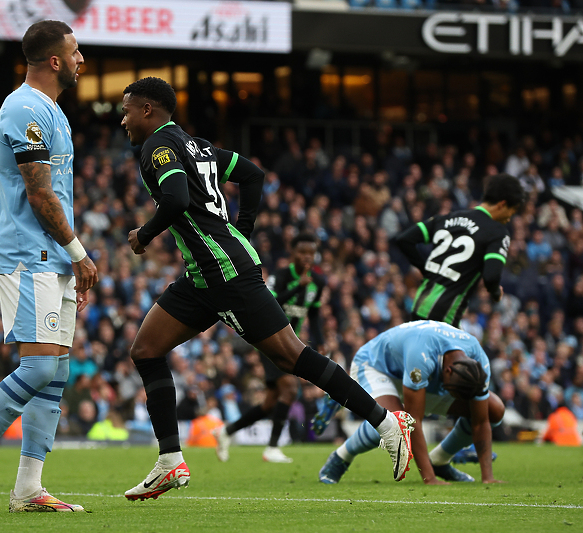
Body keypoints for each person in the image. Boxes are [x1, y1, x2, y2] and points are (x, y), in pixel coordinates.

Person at [119, 77, 415, 502]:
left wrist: (144, 235)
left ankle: (387, 422)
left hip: (223, 272)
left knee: (290, 355)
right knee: (145, 350)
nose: (123, 119)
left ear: (148, 109)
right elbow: (253, 174)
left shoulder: (157, 147)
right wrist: (243, 232)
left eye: (127, 110)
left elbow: (178, 198)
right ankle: (169, 461)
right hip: (204, 274)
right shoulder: (199, 146)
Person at [0, 20, 97, 516]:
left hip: (53, 256)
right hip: (29, 255)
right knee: (39, 366)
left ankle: (29, 488)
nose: (80, 59)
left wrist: (72, 257)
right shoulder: (25, 108)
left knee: (55, 375)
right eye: (74, 52)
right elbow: (38, 192)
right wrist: (79, 251)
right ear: (54, 60)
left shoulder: (50, 110)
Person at [317, 320, 504, 485]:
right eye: (452, 392)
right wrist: (429, 479)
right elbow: (413, 420)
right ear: (447, 371)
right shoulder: (421, 354)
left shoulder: (480, 361)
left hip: (420, 375)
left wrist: (487, 476)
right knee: (396, 423)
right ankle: (342, 456)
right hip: (377, 366)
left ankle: (439, 460)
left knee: (494, 410)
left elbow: (481, 421)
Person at [214, 233, 326, 463]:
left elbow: (313, 316)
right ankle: (272, 447)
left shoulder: (318, 282)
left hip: (291, 343)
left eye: (311, 253)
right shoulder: (281, 276)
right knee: (290, 389)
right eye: (302, 252)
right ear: (292, 253)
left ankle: (226, 432)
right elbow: (272, 302)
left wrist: (320, 341)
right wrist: (297, 287)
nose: (307, 257)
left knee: (270, 403)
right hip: (269, 339)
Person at [394, 173, 525, 327]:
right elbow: (491, 276)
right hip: (445, 313)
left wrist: (426, 270)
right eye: (512, 211)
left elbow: (404, 239)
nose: (510, 218)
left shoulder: (448, 218)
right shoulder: (498, 232)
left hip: (421, 303)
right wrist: (496, 293)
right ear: (502, 204)